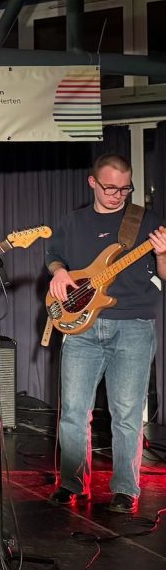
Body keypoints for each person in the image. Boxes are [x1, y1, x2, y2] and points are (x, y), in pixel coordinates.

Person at [47, 153, 166, 514]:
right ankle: (72, 482)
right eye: (110, 188)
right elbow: (54, 254)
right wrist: (58, 272)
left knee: (127, 413)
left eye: (125, 189)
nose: (118, 195)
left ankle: (125, 489)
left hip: (133, 326)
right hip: (81, 327)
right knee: (73, 411)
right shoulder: (73, 221)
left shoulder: (148, 221)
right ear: (93, 183)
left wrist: (162, 255)